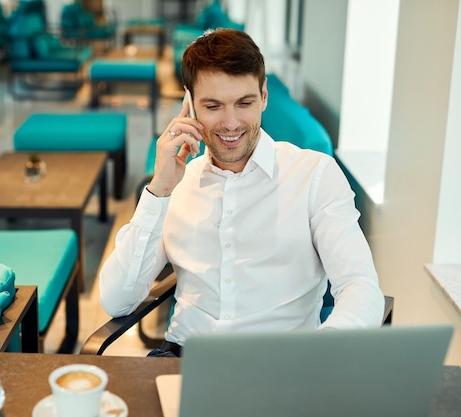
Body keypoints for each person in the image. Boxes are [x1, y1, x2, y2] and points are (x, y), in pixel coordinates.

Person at [99, 28, 384, 357]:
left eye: (244, 103)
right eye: (213, 106)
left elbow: (361, 287)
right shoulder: (176, 184)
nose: (231, 123)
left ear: (264, 95)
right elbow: (116, 300)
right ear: (189, 104)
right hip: (185, 362)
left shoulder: (314, 175)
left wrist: (320, 358)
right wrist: (158, 191)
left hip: (284, 365)